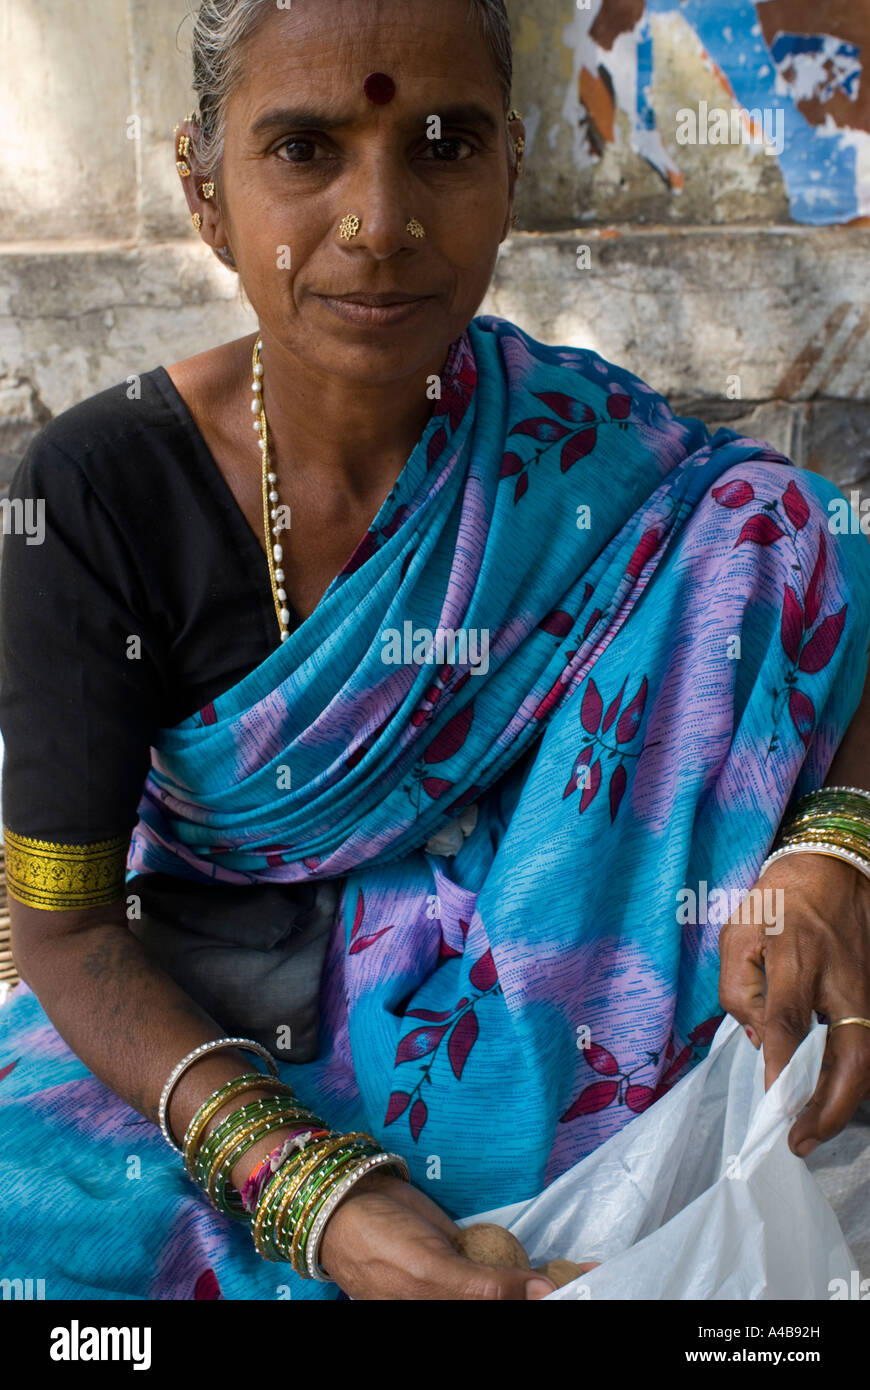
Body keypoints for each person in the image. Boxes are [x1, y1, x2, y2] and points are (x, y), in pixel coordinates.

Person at [0, 0, 869, 1302]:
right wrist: (308, 1185)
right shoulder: (92, 496)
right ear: (204, 191)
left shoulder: (577, 448)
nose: (379, 219)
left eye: (444, 143)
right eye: (303, 149)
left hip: (564, 990)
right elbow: (62, 930)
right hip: (229, 993)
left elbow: (817, 565)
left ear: (509, 167)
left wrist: (829, 848)